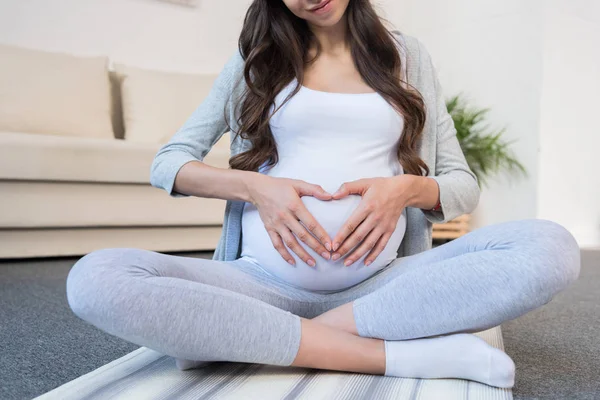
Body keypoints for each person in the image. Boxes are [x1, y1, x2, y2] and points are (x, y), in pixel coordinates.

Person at [66, 0, 581, 389]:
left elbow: (462, 186)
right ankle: (390, 355)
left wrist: (404, 190)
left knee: (551, 247)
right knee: (95, 279)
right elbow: (169, 163)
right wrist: (255, 187)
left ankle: (260, 338)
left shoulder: (407, 57)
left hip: (381, 289)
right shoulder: (258, 59)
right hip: (259, 284)